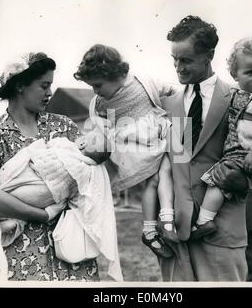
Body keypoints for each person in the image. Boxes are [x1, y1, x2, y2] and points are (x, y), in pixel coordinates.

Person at [0, 52, 99, 281]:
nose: (49, 93)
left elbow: (89, 170)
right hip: (22, 254)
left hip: (70, 245)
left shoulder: (63, 126)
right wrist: (39, 214)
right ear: (20, 86)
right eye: (44, 85)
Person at [159, 15, 248, 281]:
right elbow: (171, 163)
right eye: (174, 59)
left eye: (185, 60)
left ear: (208, 56)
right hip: (176, 233)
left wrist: (241, 181)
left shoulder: (239, 99)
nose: (178, 67)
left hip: (222, 230)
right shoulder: (169, 104)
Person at [74, 44, 180, 258]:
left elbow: (172, 93)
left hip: (159, 141)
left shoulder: (143, 83)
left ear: (114, 74)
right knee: (153, 182)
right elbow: (100, 128)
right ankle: (153, 228)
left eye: (97, 84)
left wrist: (173, 101)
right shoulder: (99, 104)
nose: (94, 91)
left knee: (160, 179)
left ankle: (157, 226)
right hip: (133, 151)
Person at [191, 38, 252, 239]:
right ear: (235, 75)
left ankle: (204, 221)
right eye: (251, 72)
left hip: (251, 154)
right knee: (221, 181)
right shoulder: (239, 93)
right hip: (242, 153)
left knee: (218, 179)